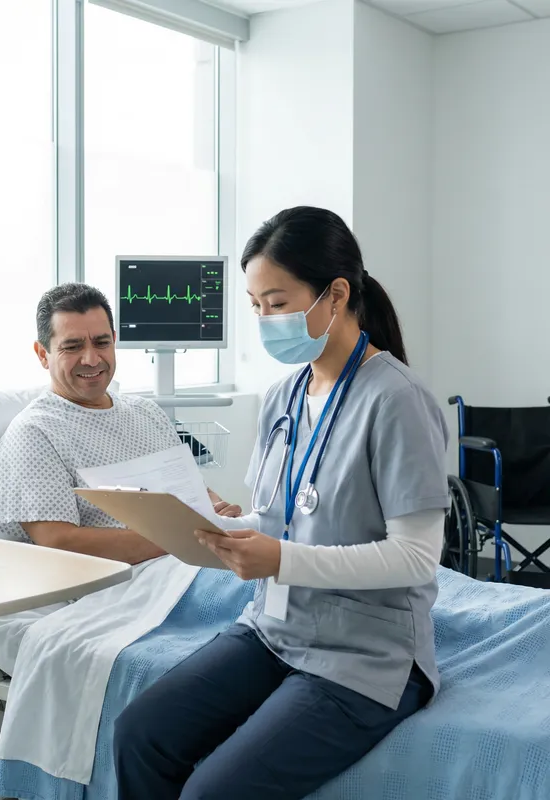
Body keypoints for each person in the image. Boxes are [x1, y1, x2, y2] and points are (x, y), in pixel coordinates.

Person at [113, 206, 449, 799]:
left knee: (211, 793)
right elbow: (277, 517)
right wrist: (203, 524)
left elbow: (417, 558)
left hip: (364, 653)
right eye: (255, 305)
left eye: (277, 301)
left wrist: (281, 560)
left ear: (336, 294)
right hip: (273, 629)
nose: (265, 319)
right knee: (140, 731)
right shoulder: (282, 398)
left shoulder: (396, 400)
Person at [0, 282, 240, 565]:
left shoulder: (146, 412)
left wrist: (218, 513)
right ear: (42, 355)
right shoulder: (35, 433)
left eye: (101, 343)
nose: (91, 359)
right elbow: (58, 542)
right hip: (134, 584)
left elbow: (195, 491)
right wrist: (188, 537)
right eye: (72, 347)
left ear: (114, 339)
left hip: (196, 560)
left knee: (283, 573)